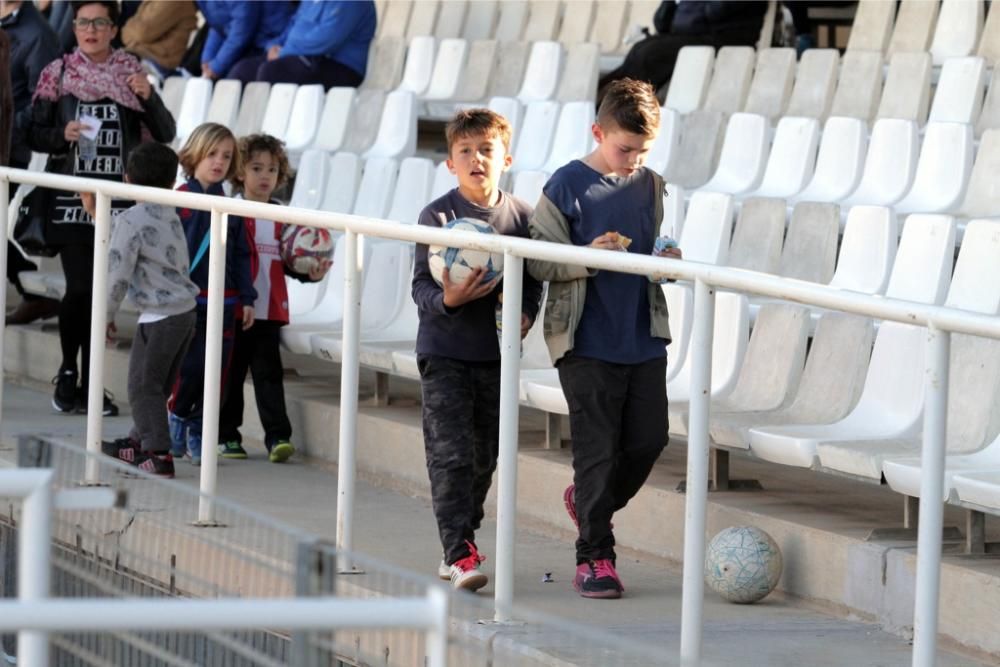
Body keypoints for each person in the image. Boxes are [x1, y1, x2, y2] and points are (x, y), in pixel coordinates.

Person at [526, 78, 683, 599]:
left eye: (642, 151)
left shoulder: (651, 184)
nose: (633, 160)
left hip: (642, 337)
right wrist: (587, 255)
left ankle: (590, 502)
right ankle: (595, 557)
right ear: (598, 131)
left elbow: (653, 250)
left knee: (648, 439)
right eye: (624, 149)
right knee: (597, 451)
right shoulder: (566, 184)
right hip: (585, 340)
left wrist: (665, 264)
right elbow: (540, 260)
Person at [411, 108, 543, 591]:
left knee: (484, 458)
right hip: (443, 352)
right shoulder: (438, 217)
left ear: (505, 157)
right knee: (451, 456)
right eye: (464, 151)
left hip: (495, 358)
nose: (476, 159)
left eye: (486, 149)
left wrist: (524, 315)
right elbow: (421, 288)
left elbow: (532, 284)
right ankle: (459, 551)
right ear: (450, 163)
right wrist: (448, 300)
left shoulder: (522, 218)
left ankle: (461, 537)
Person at [26, 0, 176, 416]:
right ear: (74, 28)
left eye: (99, 22)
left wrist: (149, 100)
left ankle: (92, 385)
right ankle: (70, 372)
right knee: (81, 288)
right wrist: (62, 133)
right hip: (73, 198)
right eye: (83, 23)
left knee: (103, 294)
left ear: (114, 28)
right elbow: (34, 132)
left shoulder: (131, 74)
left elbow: (164, 135)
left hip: (121, 201)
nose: (90, 29)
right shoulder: (57, 73)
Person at [218, 134, 326, 463]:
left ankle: (278, 437)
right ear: (240, 173)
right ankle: (227, 436)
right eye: (256, 168)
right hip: (237, 309)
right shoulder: (230, 211)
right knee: (232, 375)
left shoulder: (285, 218)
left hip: (270, 310)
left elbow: (291, 263)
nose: (265, 176)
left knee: (268, 375)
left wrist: (311, 273)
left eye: (272, 170)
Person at [95, 142, 198, 479]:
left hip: (159, 316)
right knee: (158, 385)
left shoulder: (129, 219)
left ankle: (158, 453)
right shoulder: (172, 212)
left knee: (142, 386)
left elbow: (117, 272)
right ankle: (139, 441)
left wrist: (105, 314)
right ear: (171, 183)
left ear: (127, 179)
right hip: (183, 313)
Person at [168, 122, 256, 466]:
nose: (218, 162)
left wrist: (247, 298)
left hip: (225, 300)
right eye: (212, 154)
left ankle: (200, 432)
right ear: (194, 154)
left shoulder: (231, 206)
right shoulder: (179, 199)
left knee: (217, 372)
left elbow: (242, 253)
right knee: (188, 368)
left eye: (226, 156)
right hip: (187, 300)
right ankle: (176, 416)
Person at [2, 0, 63, 325]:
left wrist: (11, 126)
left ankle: (33, 291)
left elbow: (44, 99)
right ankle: (33, 292)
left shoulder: (38, 32)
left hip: (7, 148)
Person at [598, 1, 768, 102]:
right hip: (687, 37)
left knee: (650, 54)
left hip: (723, 39)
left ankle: (627, 107)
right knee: (641, 49)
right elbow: (661, 23)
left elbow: (717, 10)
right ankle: (607, 104)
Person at [227, 0, 376, 90]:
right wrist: (274, 46)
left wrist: (284, 52)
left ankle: (267, 136)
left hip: (340, 67)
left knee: (272, 72)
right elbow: (293, 27)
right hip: (304, 58)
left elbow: (325, 40)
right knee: (242, 70)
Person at [197, 0, 292, 81]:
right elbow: (219, 25)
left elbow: (241, 31)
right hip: (248, 43)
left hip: (269, 42)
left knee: (236, 74)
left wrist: (217, 66)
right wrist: (208, 58)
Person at [120, 0, 198, 79]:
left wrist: (130, 30)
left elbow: (142, 33)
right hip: (141, 55)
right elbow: (127, 35)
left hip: (155, 63)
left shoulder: (174, 2)